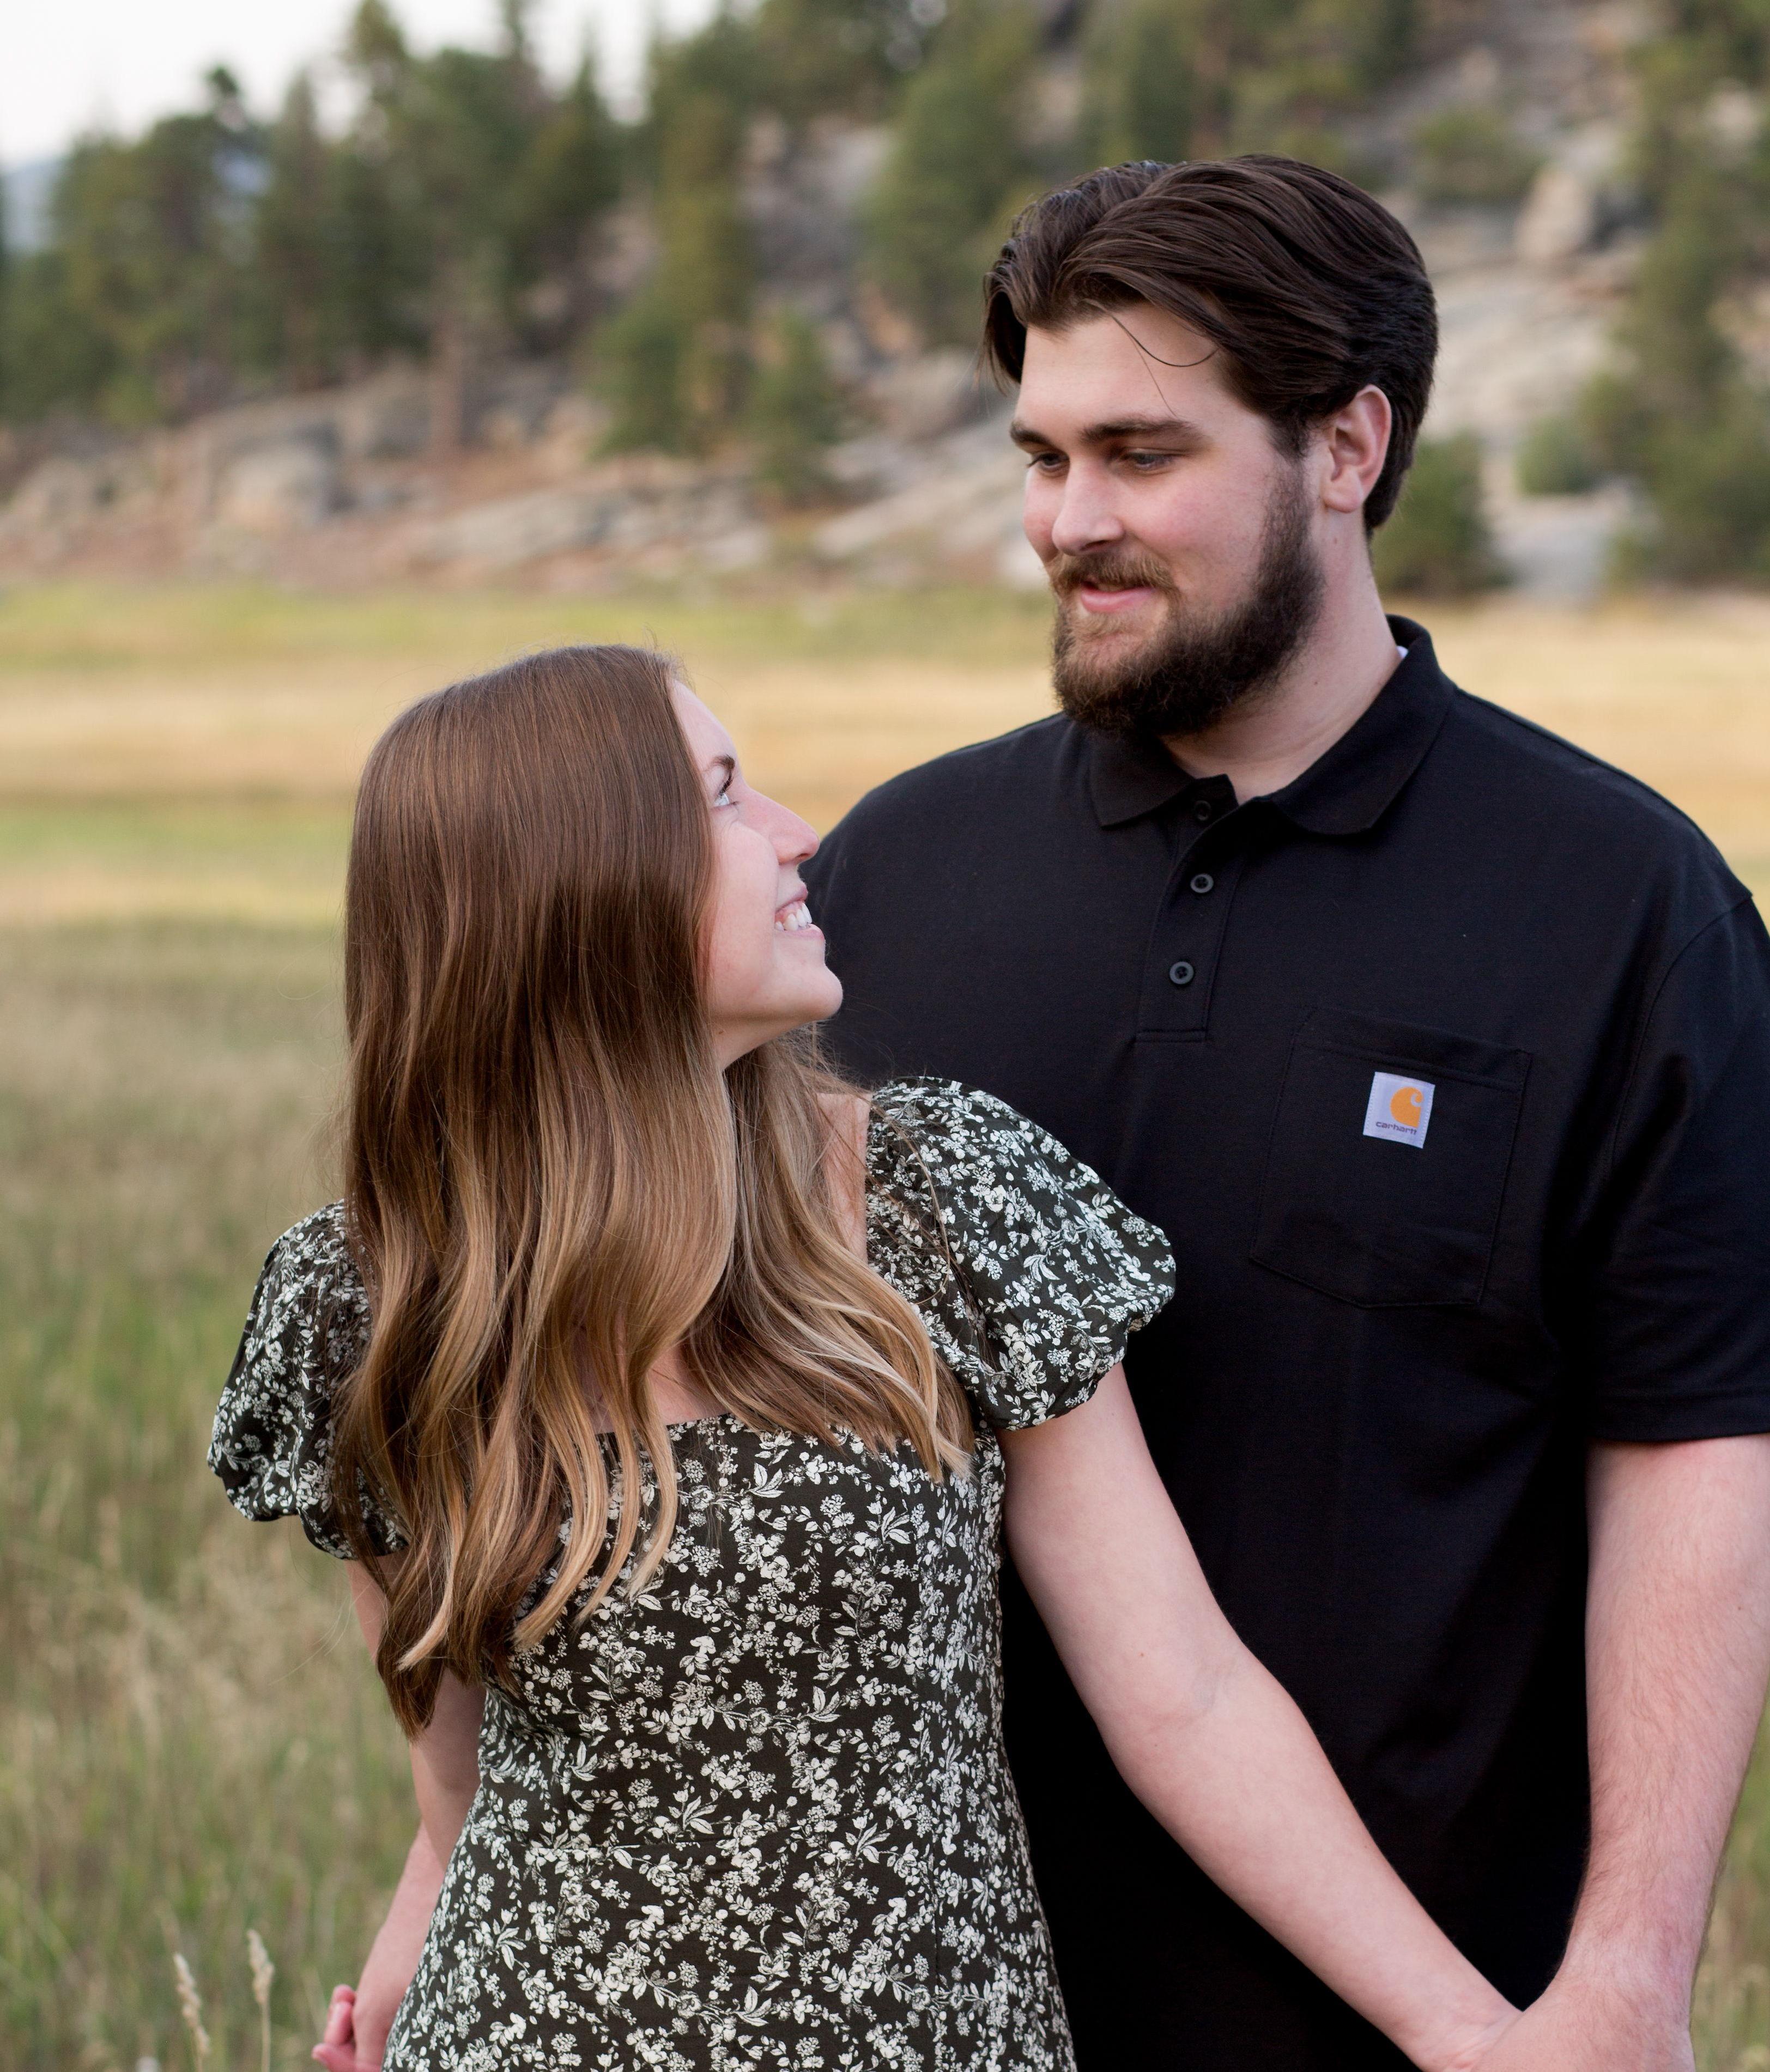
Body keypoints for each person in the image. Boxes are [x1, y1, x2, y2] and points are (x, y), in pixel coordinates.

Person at [803, 157, 1770, 2071]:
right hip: (918, 2011)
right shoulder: (890, 878)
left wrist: (1625, 1978)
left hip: (1418, 2011)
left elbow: (1689, 1456)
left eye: (1141, 453)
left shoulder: (1618, 903)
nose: (1069, 520)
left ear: (1347, 447)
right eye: (1042, 456)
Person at [208, 644, 1530, 2072]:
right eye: (723, 796)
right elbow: (457, 1776)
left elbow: (1182, 1689)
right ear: (582, 888)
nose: (797, 835)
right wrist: (406, 1958)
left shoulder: (938, 1200)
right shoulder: (367, 1303)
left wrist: (1471, 2033)